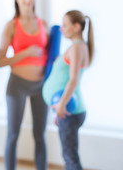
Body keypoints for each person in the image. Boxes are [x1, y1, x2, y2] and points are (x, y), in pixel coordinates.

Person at [0, 0, 49, 170]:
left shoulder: (43, 24)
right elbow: (1, 61)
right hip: (17, 85)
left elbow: (51, 54)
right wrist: (26, 53)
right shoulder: (11, 26)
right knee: (13, 135)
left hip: (41, 85)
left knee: (40, 135)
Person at [42, 10, 94, 170]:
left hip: (70, 109)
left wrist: (61, 105)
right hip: (68, 109)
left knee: (70, 157)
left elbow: (73, 79)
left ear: (77, 27)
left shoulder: (77, 48)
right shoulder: (77, 47)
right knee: (69, 155)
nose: (62, 29)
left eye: (65, 25)